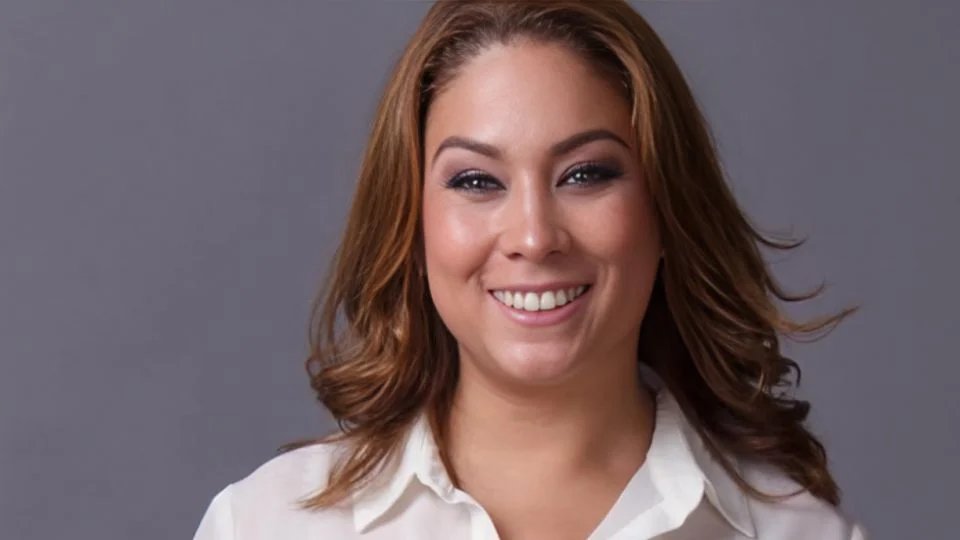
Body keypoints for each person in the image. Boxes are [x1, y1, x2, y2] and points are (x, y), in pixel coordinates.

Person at [193, 1, 866, 538]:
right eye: (477, 181)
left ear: (667, 209)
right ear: (411, 225)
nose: (534, 237)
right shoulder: (265, 525)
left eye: (585, 174)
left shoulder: (800, 534)